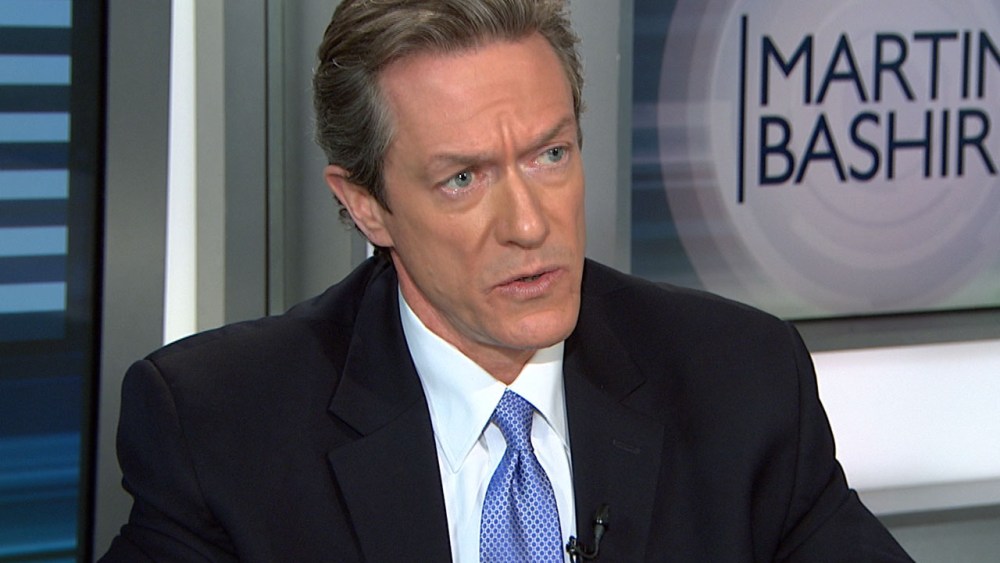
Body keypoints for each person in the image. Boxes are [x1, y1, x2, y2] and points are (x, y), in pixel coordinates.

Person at [101, 0, 913, 561]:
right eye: (464, 178)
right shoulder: (222, 430)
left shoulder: (739, 381)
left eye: (550, 155)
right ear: (366, 205)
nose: (529, 223)